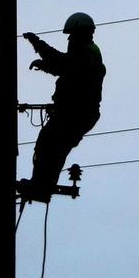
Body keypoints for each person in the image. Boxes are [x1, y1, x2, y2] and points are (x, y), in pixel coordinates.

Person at [20, 12, 106, 202]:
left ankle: (40, 185)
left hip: (75, 114)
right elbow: (66, 69)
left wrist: (37, 44)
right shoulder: (88, 53)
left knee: (48, 145)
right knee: (54, 148)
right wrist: (44, 64)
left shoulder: (85, 54)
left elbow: (62, 64)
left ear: (80, 33)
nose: (69, 39)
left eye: (71, 35)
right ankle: (42, 185)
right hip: (79, 114)